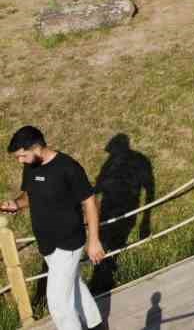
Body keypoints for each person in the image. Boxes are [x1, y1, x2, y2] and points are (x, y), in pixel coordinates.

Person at [4, 126, 104, 330]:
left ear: (36, 147)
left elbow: (90, 202)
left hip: (68, 243)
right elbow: (29, 195)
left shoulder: (68, 167)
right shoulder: (31, 166)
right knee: (75, 287)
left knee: (58, 303)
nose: (20, 161)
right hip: (48, 245)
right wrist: (15, 204)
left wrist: (94, 241)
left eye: (22, 155)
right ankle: (97, 326)